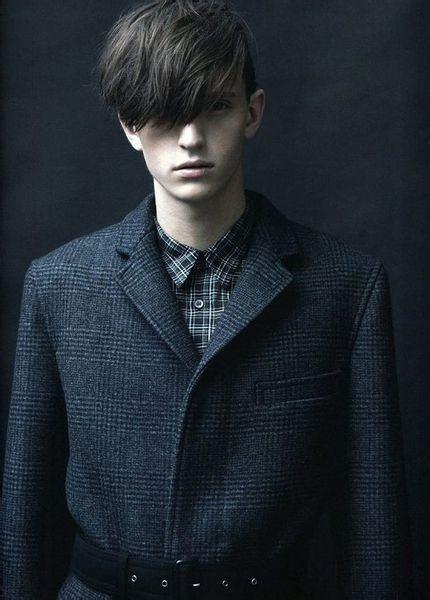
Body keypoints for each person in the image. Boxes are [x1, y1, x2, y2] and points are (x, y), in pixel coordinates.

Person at [1, 1, 413, 598]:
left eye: (215, 106)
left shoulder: (347, 287)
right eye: (166, 112)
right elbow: (24, 516)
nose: (191, 138)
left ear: (253, 112)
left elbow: (373, 526)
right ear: (129, 124)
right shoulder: (59, 285)